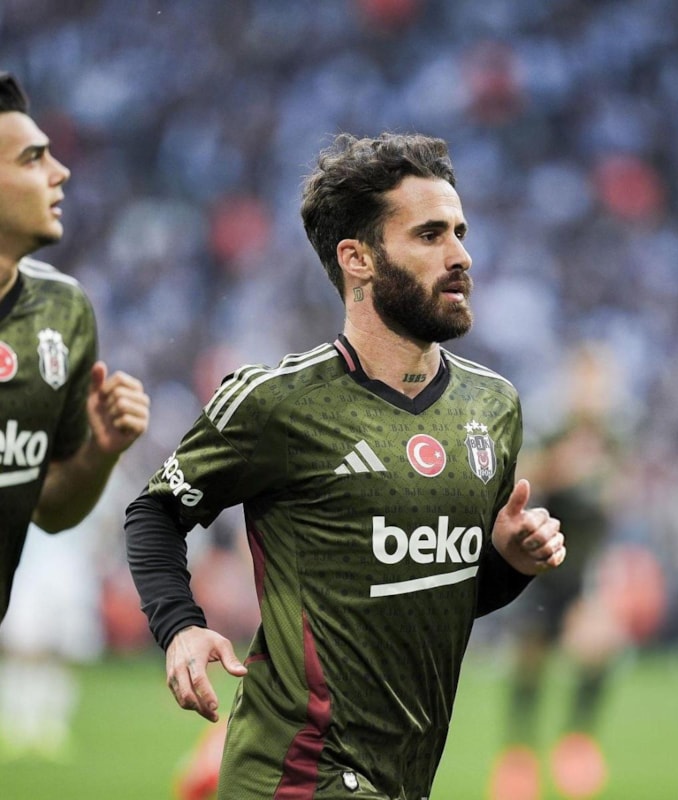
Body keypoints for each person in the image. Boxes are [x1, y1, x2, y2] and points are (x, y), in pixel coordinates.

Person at [125, 132, 566, 800]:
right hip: (300, 773)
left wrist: (510, 563)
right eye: (429, 235)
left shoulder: (493, 406)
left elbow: (432, 598)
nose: (460, 255)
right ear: (358, 259)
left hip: (404, 777)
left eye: (459, 232)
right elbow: (155, 512)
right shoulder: (279, 402)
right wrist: (179, 626)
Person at [0, 71, 150, 759]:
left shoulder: (62, 314)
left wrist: (101, 449)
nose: (60, 172)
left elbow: (53, 507)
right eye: (33, 157)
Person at [488, 343, 631, 800]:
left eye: (599, 382)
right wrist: (559, 469)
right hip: (539, 562)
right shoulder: (549, 426)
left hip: (584, 564)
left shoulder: (616, 433)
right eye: (585, 381)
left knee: (599, 647)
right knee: (530, 661)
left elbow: (620, 489)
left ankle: (576, 743)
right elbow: (519, 478)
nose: (593, 391)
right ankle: (519, 757)